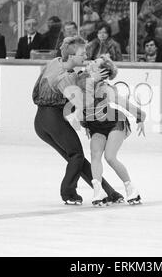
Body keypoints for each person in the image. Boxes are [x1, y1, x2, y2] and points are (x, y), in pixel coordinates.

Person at [32, 36, 124, 205]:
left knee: (76, 159)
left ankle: (109, 192)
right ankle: (69, 193)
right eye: (82, 53)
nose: (86, 55)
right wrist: (93, 81)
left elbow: (38, 90)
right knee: (77, 156)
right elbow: (83, 105)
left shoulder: (55, 62)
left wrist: (85, 78)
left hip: (40, 121)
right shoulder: (66, 77)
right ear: (72, 56)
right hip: (53, 120)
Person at [76, 55, 146, 206]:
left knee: (110, 157)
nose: (91, 62)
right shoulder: (84, 81)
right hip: (95, 125)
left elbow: (121, 102)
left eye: (95, 63)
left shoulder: (105, 88)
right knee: (95, 156)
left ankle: (131, 189)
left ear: (101, 72)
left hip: (114, 122)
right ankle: (98, 191)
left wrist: (140, 116)